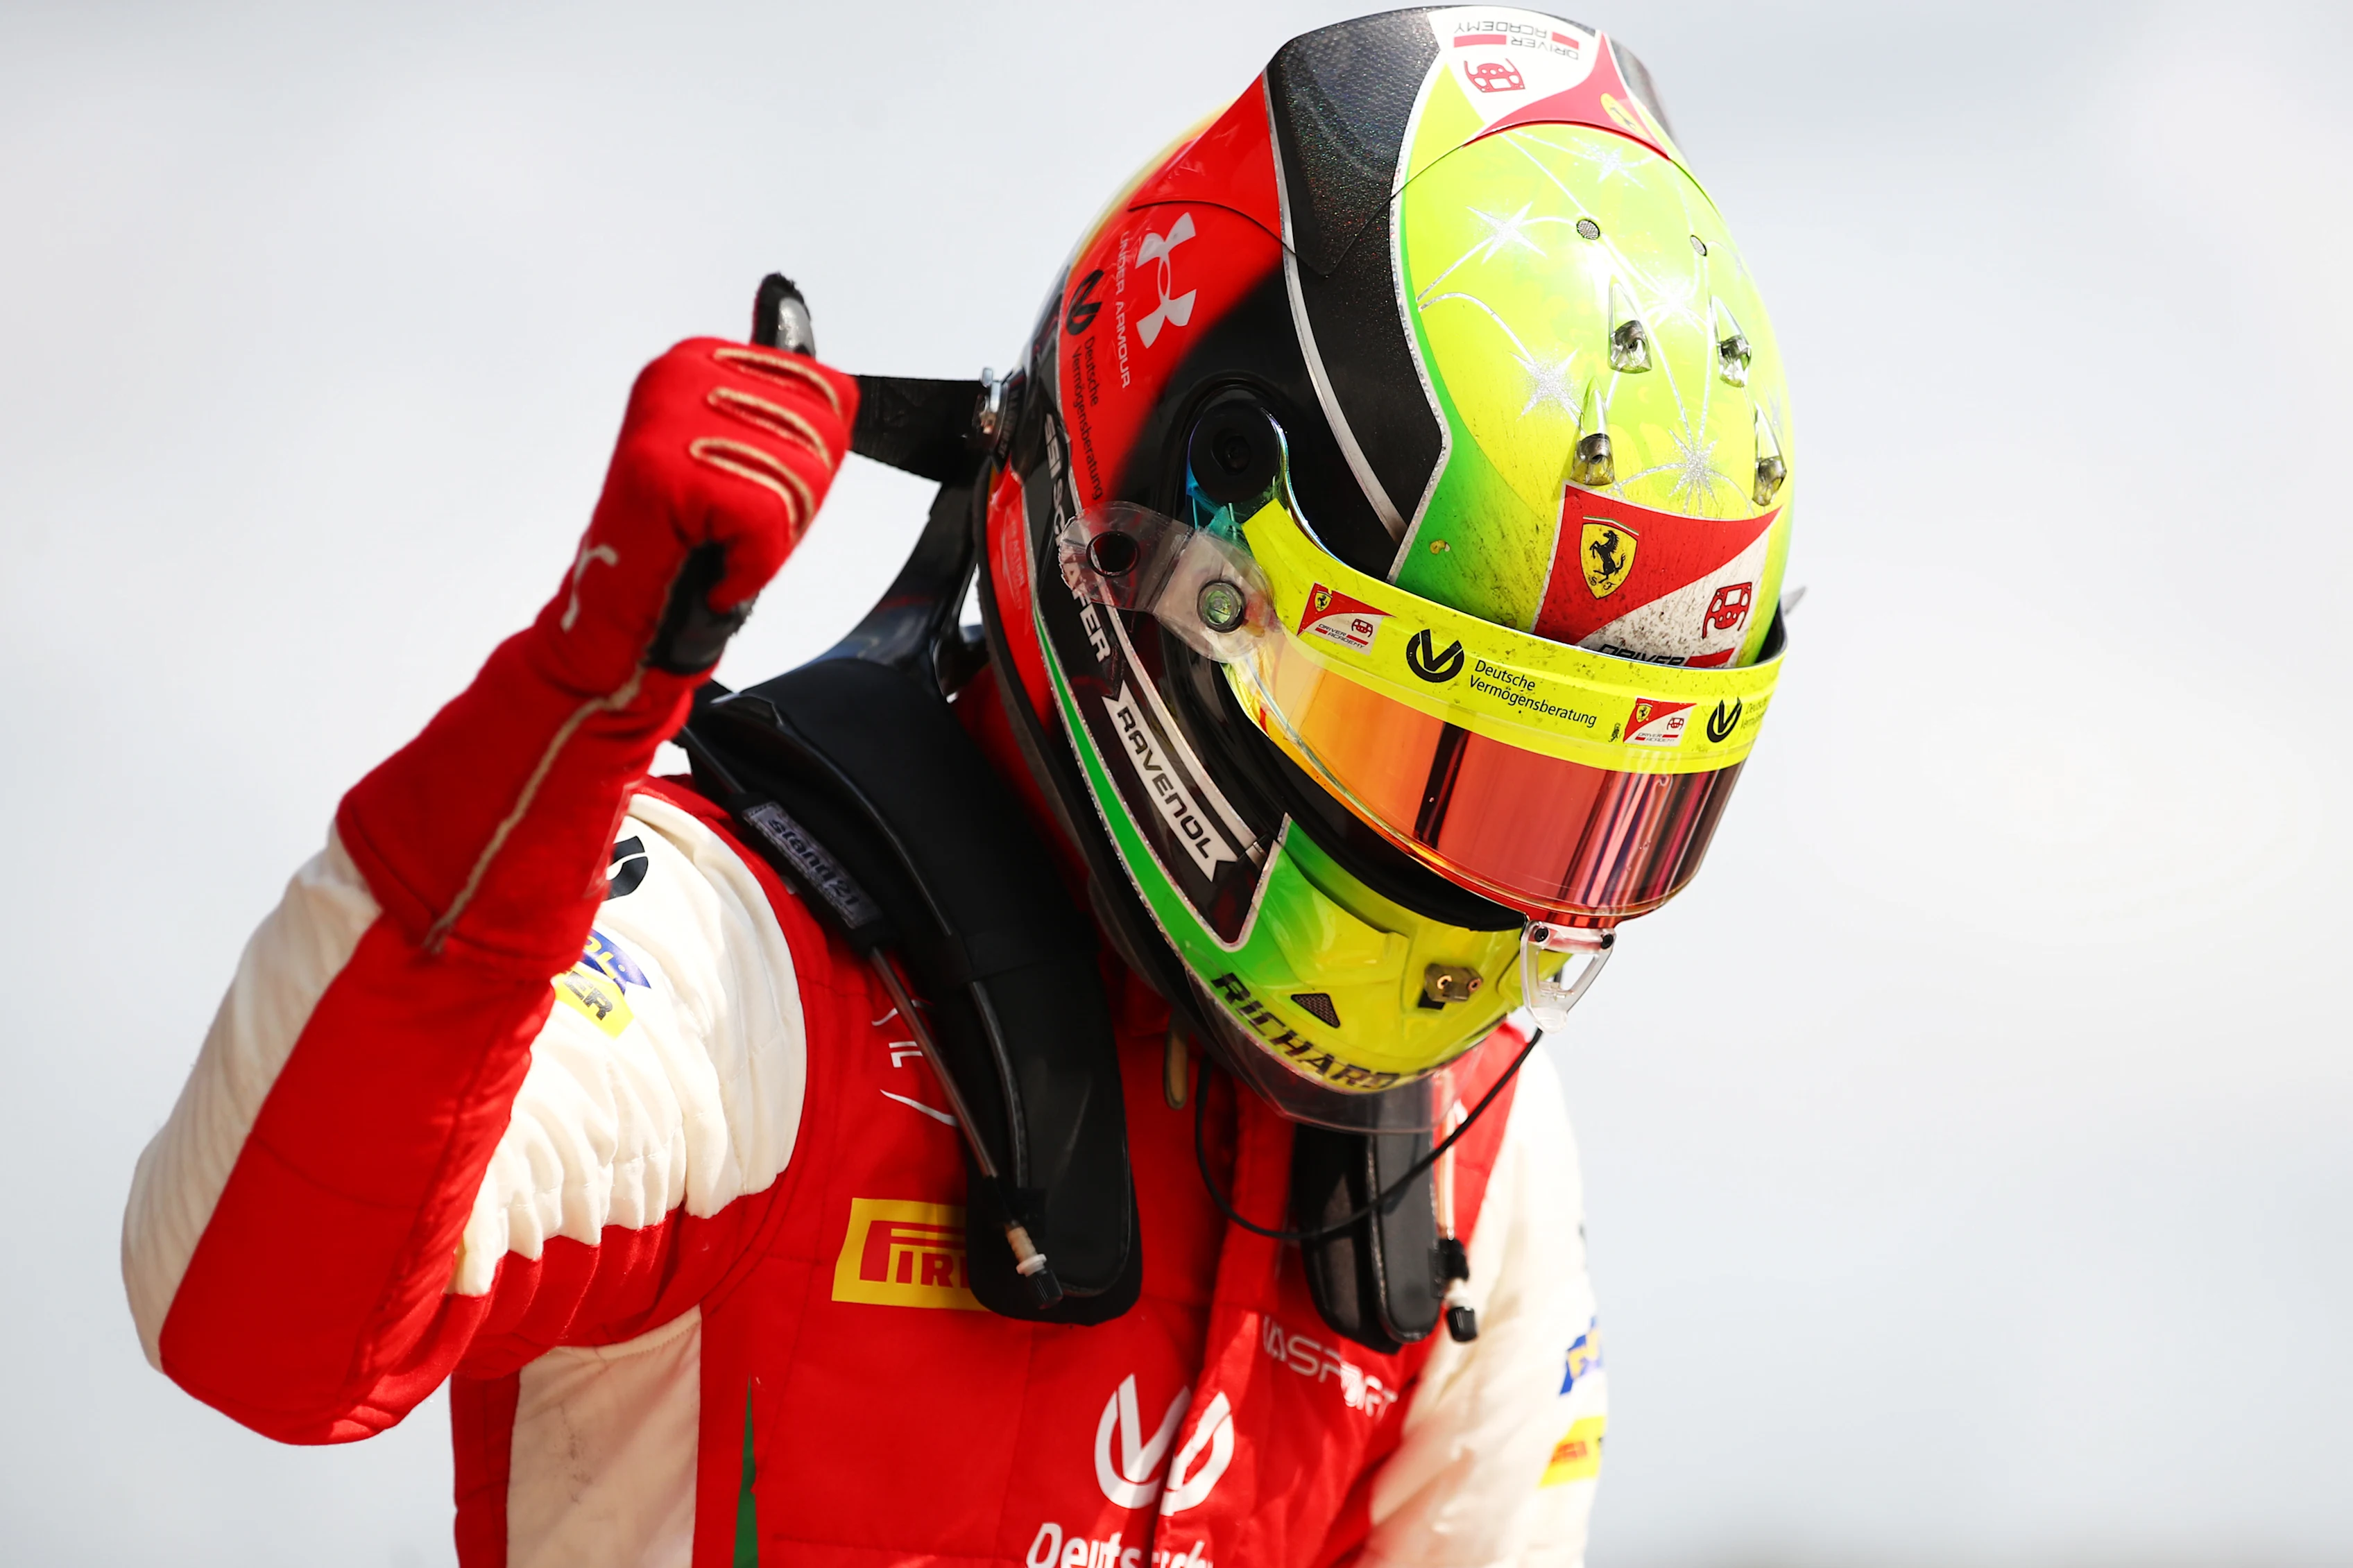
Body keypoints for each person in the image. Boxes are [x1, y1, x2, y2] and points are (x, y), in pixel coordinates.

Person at [121, 11, 1793, 1567]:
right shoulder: (736, 965)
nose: (1493, 899)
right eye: (1433, 763)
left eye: (1576, 817)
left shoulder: (1474, 1150)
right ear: (1175, 585)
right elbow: (248, 1321)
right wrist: (558, 726)